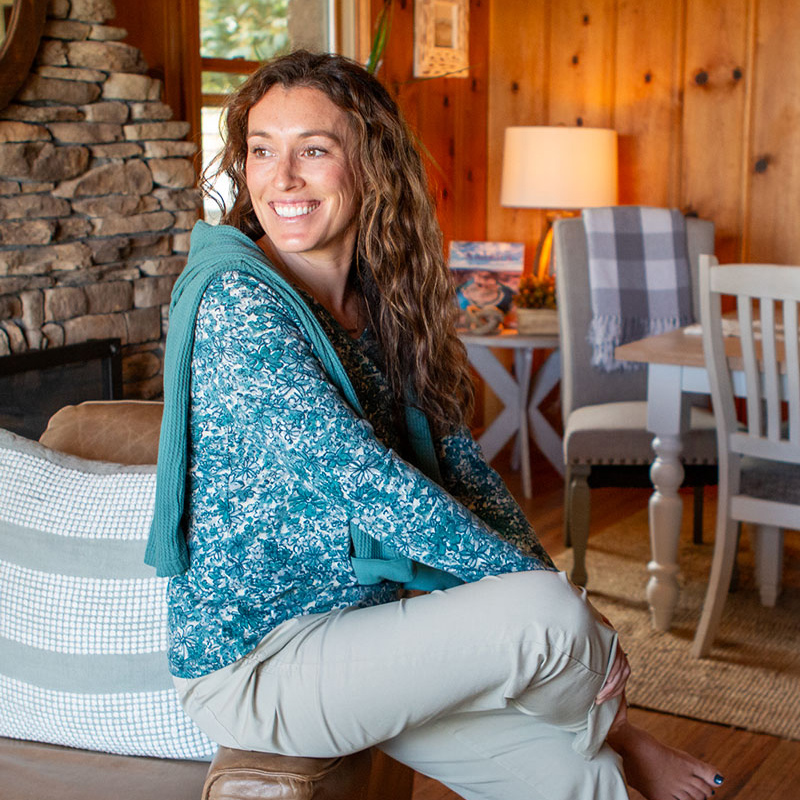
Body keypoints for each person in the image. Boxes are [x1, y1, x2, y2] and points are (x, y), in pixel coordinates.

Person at [145, 50, 724, 800]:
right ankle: (619, 729)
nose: (280, 178)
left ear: (371, 165)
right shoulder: (237, 304)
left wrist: (536, 579)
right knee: (548, 619)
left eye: (312, 150)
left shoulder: (381, 303)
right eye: (261, 150)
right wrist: (549, 606)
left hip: (358, 635)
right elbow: (365, 481)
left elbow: (463, 472)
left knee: (580, 778)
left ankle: (603, 740)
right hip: (259, 668)